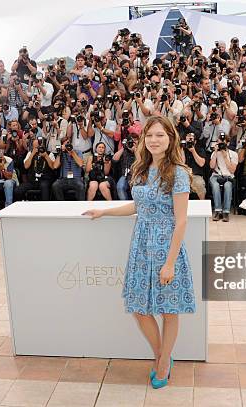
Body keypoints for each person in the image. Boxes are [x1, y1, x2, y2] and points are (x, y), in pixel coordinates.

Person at [82, 116, 195, 390]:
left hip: (167, 246)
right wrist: (104, 211)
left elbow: (181, 220)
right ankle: (161, 356)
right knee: (140, 309)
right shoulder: (141, 168)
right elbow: (138, 205)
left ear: (170, 138)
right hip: (141, 246)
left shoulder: (178, 172)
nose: (154, 140)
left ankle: (164, 362)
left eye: (160, 135)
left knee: (169, 310)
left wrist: (169, 264)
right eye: (150, 135)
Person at [209, 134, 238, 222]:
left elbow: (232, 170)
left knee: (228, 186)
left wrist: (225, 156)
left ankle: (226, 212)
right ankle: (218, 211)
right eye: (219, 142)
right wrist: (215, 152)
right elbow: (212, 166)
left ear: (228, 143)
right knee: (215, 185)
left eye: (223, 143)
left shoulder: (233, 154)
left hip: (228, 176)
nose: (221, 144)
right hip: (216, 175)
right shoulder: (215, 153)